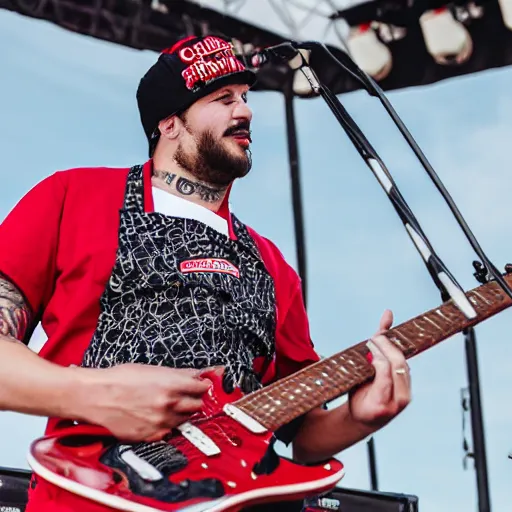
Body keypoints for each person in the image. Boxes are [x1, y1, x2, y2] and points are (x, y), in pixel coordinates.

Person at [0, 35, 412, 511]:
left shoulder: (272, 264)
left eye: (245, 98)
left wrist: (360, 417)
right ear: (169, 123)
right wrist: (91, 394)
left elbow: (301, 434)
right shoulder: (73, 197)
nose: (246, 112)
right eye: (223, 99)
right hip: (95, 495)